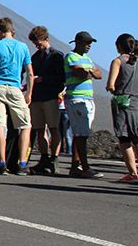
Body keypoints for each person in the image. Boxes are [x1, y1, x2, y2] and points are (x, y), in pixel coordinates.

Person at [0, 18, 34, 175]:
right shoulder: (23, 47)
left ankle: (1, 163)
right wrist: (29, 93)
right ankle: (22, 163)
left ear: (0, 31)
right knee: (25, 125)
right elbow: (30, 73)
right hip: (15, 88)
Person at [26, 26, 66, 175]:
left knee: (54, 128)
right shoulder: (35, 57)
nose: (37, 46)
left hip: (50, 97)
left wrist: (43, 79)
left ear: (46, 39)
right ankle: (44, 158)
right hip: (37, 98)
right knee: (39, 129)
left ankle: (54, 159)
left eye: (39, 43)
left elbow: (61, 78)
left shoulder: (56, 56)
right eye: (35, 43)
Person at [64, 31, 104, 179]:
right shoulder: (71, 56)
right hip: (76, 98)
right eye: (87, 43)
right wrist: (90, 72)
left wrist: (89, 71)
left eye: (90, 44)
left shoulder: (86, 58)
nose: (89, 46)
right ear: (78, 43)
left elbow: (99, 74)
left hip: (87, 98)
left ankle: (76, 165)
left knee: (80, 133)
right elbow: (79, 73)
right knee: (81, 134)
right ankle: (85, 167)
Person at [105, 33, 138, 182]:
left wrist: (113, 87)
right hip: (137, 102)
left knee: (125, 138)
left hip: (123, 102)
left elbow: (111, 85)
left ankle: (133, 173)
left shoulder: (118, 61)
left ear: (119, 46)